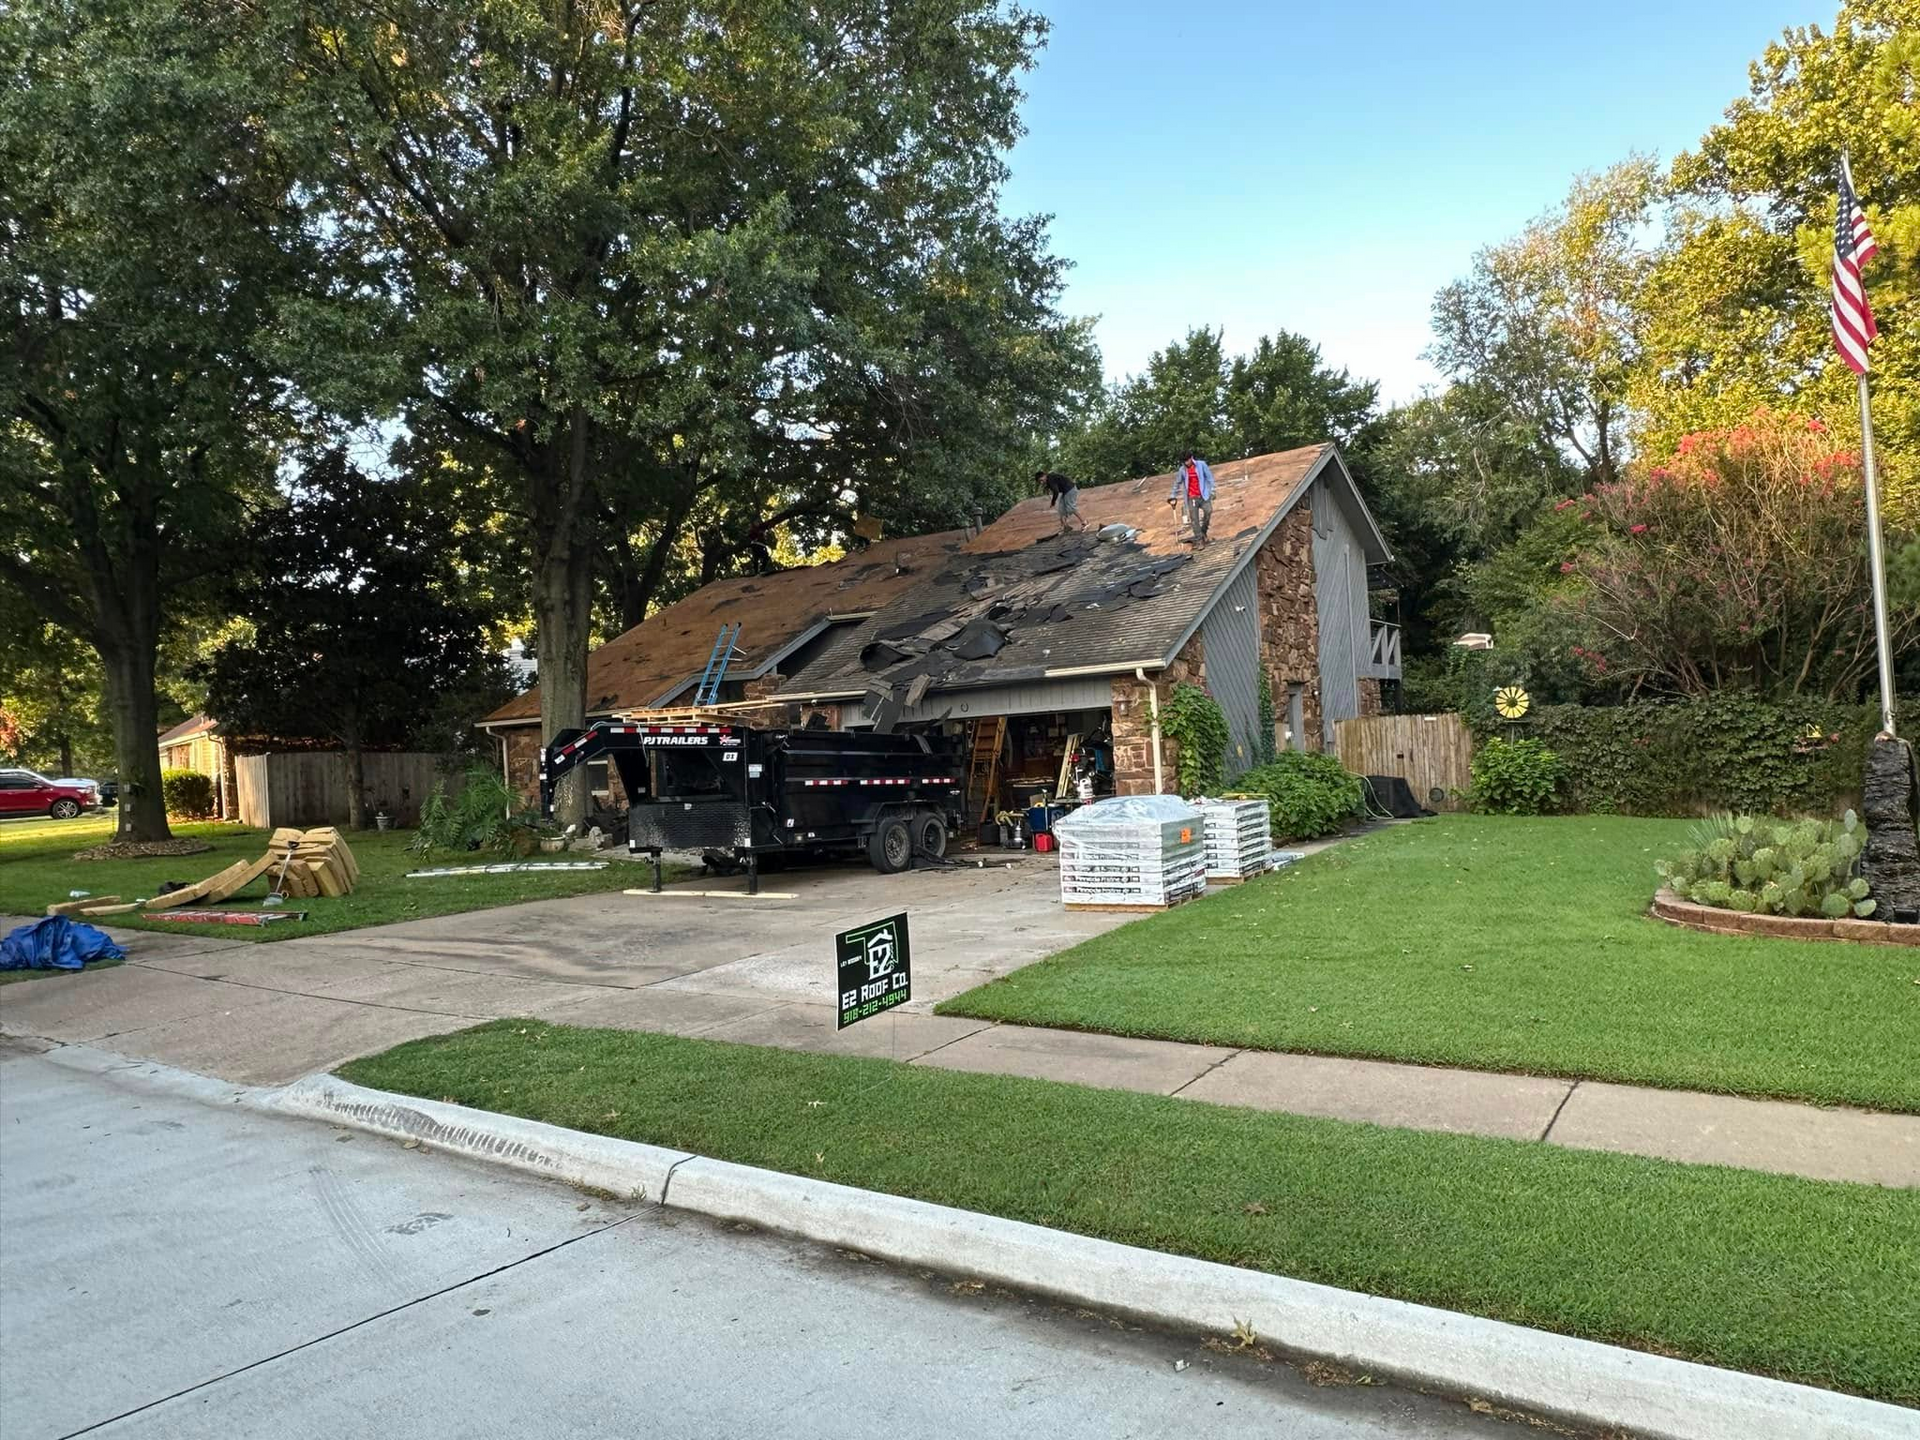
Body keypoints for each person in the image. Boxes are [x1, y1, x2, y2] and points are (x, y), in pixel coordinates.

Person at [1166, 451, 1214, 544]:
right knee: (1194, 519)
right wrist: (1172, 495)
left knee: (1208, 511)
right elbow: (1177, 483)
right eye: (1184, 461)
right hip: (1192, 497)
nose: (1186, 463)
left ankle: (1203, 531)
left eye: (1187, 460)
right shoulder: (1182, 470)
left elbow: (1210, 478)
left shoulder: (1201, 465)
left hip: (1203, 495)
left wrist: (1212, 490)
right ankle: (1199, 540)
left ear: (1191, 458)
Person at [1036, 469, 1086, 534]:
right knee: (1061, 509)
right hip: (1065, 491)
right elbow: (1056, 484)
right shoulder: (1049, 479)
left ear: (1044, 476)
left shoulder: (1050, 478)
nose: (1041, 482)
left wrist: (1053, 502)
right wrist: (1047, 487)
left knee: (1071, 508)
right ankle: (1065, 526)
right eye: (1040, 481)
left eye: (1041, 480)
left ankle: (1084, 522)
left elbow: (1056, 491)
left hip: (1070, 490)